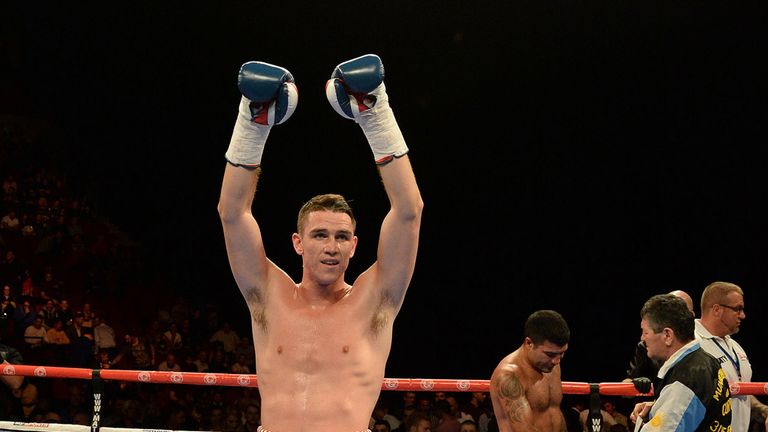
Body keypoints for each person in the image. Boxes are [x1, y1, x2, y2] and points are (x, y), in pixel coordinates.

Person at [218, 53, 422, 432]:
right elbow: (232, 213)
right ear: (298, 242)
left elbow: (409, 211)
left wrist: (376, 115)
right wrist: (252, 121)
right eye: (320, 235)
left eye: (342, 236)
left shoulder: (376, 299)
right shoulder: (267, 293)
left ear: (355, 245)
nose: (332, 246)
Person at [630, 294, 731, 431]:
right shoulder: (707, 360)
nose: (642, 338)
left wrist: (642, 425)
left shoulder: (685, 381)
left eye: (645, 332)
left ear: (667, 335)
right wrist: (659, 407)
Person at [694, 281, 768, 432]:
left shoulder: (735, 346)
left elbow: (737, 390)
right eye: (738, 309)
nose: (743, 315)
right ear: (717, 309)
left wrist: (764, 410)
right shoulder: (692, 344)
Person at [489, 310, 570, 432]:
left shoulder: (551, 365)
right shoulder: (509, 375)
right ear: (529, 343)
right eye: (550, 354)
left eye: (562, 353)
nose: (556, 361)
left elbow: (555, 413)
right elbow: (523, 429)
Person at [624, 290, 694, 387]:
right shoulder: (645, 347)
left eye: (682, 310)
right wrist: (635, 385)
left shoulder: (698, 359)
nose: (677, 315)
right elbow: (629, 381)